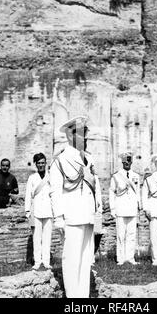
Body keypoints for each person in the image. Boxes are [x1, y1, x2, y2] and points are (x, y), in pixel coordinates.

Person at [49, 116, 102, 298]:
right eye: (81, 133)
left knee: (86, 259)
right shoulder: (61, 161)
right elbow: (55, 192)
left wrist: (97, 213)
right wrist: (58, 218)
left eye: (85, 133)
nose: (85, 137)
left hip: (87, 215)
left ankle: (83, 297)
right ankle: (73, 299)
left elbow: (95, 187)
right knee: (72, 259)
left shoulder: (89, 159)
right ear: (71, 136)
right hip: (71, 217)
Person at [109, 151, 141, 265]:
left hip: (132, 208)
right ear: (122, 162)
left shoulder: (136, 176)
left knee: (131, 234)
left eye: (129, 161)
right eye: (125, 161)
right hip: (120, 208)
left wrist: (139, 205)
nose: (127, 163)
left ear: (131, 161)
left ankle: (130, 257)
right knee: (121, 235)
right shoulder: (116, 176)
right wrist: (112, 208)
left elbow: (138, 192)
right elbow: (112, 192)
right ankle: (121, 258)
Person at [25, 153, 53, 270]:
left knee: (47, 238)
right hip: (36, 211)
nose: (41, 165)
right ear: (36, 164)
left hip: (48, 211)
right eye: (39, 163)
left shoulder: (51, 176)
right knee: (36, 238)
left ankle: (46, 262)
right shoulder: (32, 178)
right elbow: (28, 195)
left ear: (46, 164)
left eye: (43, 163)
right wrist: (27, 211)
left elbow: (54, 194)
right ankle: (37, 262)